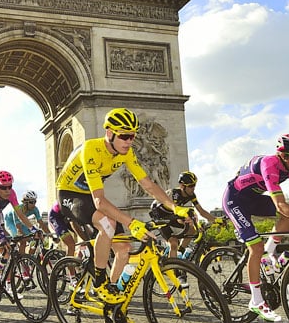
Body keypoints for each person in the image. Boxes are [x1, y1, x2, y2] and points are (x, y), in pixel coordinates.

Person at [55, 107, 191, 306]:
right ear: (109, 133)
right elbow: (99, 202)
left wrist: (174, 207)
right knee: (108, 222)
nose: (129, 141)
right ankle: (100, 280)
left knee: (124, 248)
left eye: (133, 137)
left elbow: (148, 184)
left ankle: (107, 294)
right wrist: (133, 223)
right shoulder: (91, 149)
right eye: (124, 136)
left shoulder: (126, 153)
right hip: (70, 195)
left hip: (90, 195)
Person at [221, 134, 289, 322]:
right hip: (235, 200)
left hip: (253, 199)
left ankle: (267, 257)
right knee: (256, 246)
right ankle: (256, 300)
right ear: (284, 155)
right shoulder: (269, 164)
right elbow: (280, 205)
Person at [149, 171, 219, 258]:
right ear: (182, 186)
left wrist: (216, 220)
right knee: (174, 243)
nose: (193, 188)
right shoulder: (174, 194)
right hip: (159, 215)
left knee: (192, 229)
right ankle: (172, 268)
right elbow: (177, 213)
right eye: (190, 186)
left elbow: (202, 211)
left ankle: (180, 252)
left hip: (172, 214)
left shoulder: (191, 195)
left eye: (194, 185)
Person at [4, 190, 43, 263]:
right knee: (23, 241)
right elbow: (18, 226)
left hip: (22, 221)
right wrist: (25, 236)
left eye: (35, 201)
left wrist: (50, 235)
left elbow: (41, 222)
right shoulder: (18, 209)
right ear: (25, 202)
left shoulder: (35, 209)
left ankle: (28, 259)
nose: (34, 204)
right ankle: (21, 263)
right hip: (11, 222)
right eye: (31, 202)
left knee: (35, 237)